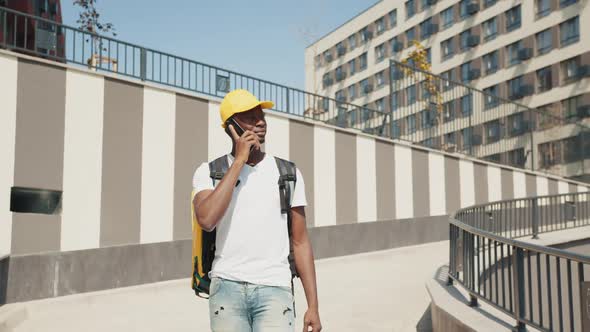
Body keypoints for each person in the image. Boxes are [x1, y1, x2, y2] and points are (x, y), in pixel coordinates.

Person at [192, 89, 322, 332]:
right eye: (250, 117)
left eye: (261, 115)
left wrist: (313, 305)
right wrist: (239, 161)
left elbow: (301, 242)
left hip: (275, 287)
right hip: (226, 288)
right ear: (230, 126)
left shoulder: (288, 173)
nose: (260, 121)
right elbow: (207, 219)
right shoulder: (208, 172)